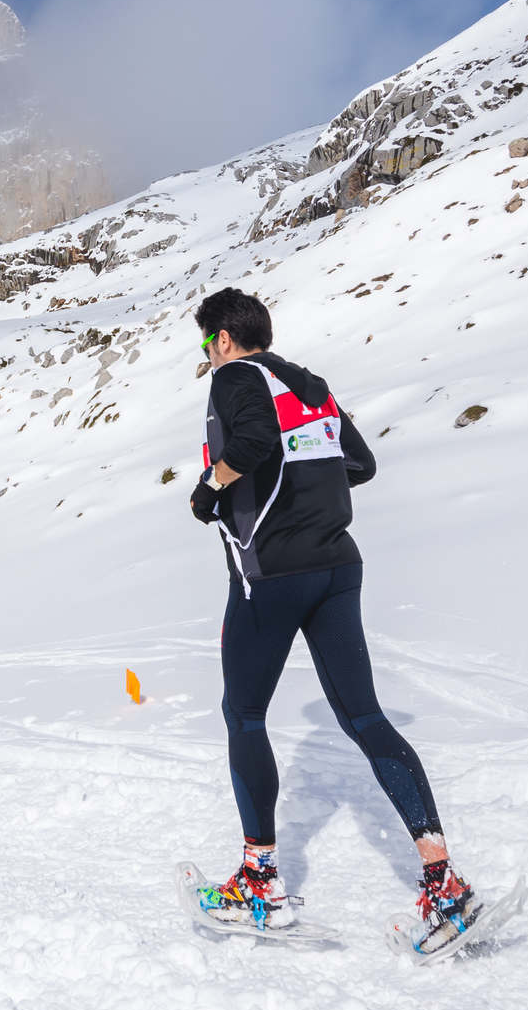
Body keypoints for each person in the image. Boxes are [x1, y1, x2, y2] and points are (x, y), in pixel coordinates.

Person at [184, 287, 478, 951]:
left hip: (273, 577)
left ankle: (258, 882)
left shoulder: (235, 376)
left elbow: (255, 440)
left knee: (245, 717)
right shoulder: (307, 383)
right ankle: (443, 882)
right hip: (339, 568)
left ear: (224, 340)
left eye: (207, 344)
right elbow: (362, 464)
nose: (207, 357)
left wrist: (211, 488)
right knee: (365, 718)